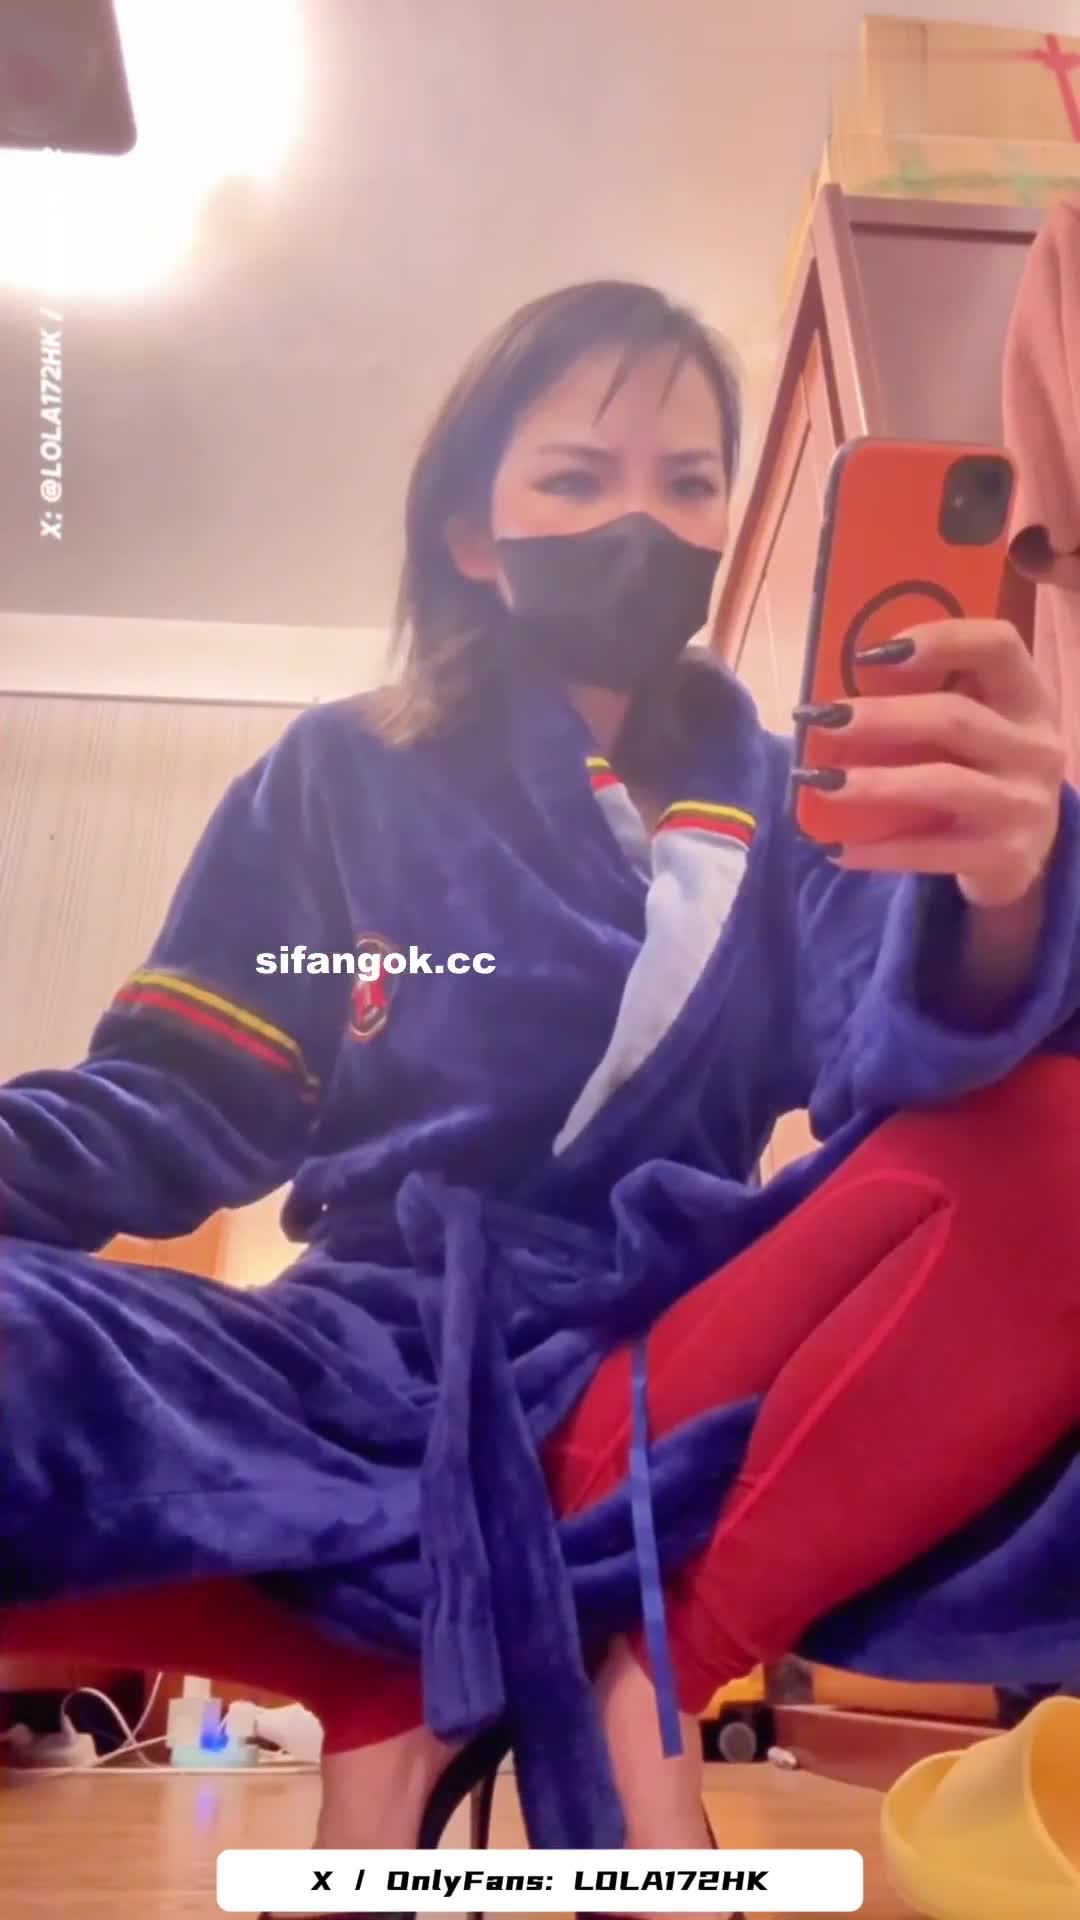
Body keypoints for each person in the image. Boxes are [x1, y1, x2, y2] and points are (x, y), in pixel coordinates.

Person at [3, 281, 1080, 1887]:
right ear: (473, 533)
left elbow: (892, 1062)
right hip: (357, 1360)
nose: (641, 524)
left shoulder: (803, 791)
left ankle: (644, 1653)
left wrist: (1007, 893)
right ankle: (446, 1653)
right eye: (577, 478)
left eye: (690, 483)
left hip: (662, 1348)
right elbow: (179, 1096)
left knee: (1059, 1132)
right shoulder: (339, 772)